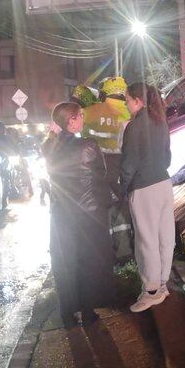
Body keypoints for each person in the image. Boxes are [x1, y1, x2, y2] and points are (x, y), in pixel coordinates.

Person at [43, 102, 117, 327]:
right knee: (88, 261)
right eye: (80, 116)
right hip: (88, 214)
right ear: (71, 121)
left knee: (65, 262)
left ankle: (67, 314)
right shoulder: (89, 146)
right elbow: (101, 175)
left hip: (61, 215)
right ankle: (88, 310)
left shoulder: (49, 148)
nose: (83, 119)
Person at [120, 82, 174, 313]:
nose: (125, 104)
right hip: (164, 183)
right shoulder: (160, 121)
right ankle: (162, 283)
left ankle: (150, 291)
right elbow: (168, 156)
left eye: (127, 100)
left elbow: (129, 163)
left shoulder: (135, 126)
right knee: (165, 237)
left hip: (144, 188)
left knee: (146, 241)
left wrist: (123, 186)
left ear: (137, 101)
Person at [83, 76, 131, 200]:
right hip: (125, 165)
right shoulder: (132, 111)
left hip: (99, 166)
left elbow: (83, 138)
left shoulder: (91, 111)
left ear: (104, 94)